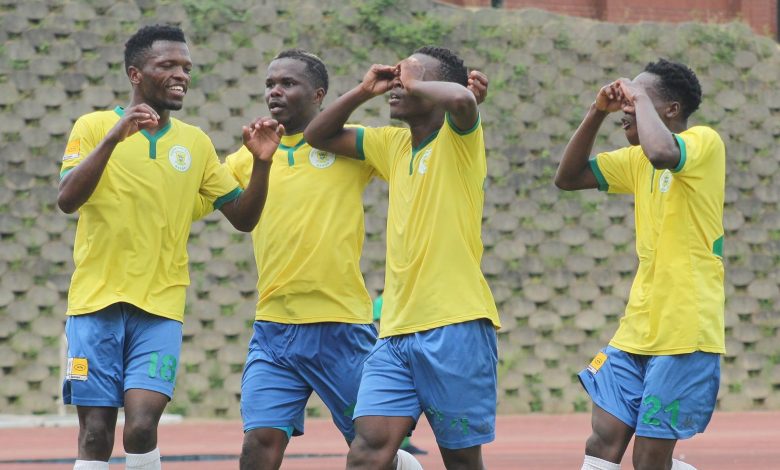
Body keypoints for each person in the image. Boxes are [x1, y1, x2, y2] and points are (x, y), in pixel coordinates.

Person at [193, 48, 487, 470]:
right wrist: (366, 89)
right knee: (266, 443)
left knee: (451, 455)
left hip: (357, 326)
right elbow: (242, 214)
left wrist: (429, 87)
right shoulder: (388, 144)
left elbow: (461, 110)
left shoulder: (441, 143)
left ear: (317, 94)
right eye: (270, 84)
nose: (275, 91)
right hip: (285, 328)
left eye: (288, 83)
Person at [57, 24, 282, 470]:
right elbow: (67, 199)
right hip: (94, 305)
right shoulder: (94, 125)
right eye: (168, 66)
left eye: (186, 67)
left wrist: (260, 165)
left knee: (141, 425)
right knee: (95, 431)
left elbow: (244, 218)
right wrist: (112, 138)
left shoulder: (194, 143)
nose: (181, 74)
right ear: (136, 73)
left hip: (160, 307)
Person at [305, 46, 500, 470]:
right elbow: (317, 135)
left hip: (455, 326)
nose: (399, 84)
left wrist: (418, 81)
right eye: (397, 77)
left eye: (411, 78)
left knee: (462, 461)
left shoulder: (459, 137)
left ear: (437, 88)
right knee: (367, 451)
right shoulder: (390, 143)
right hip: (394, 333)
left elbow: (464, 102)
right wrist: (362, 91)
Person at [554, 59, 725, 470]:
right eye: (628, 98)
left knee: (649, 461)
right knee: (602, 443)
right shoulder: (635, 161)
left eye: (640, 97)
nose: (628, 105)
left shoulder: (702, 142)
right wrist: (597, 111)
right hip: (636, 331)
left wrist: (639, 97)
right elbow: (568, 176)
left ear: (672, 109)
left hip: (685, 330)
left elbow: (664, 151)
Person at [371, 294, 428, 457]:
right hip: (392, 348)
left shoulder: (414, 296)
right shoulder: (382, 300)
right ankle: (397, 445)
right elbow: (383, 323)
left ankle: (404, 443)